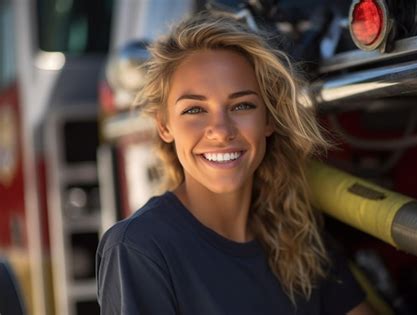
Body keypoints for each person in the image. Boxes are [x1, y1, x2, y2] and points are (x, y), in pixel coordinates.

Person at [96, 11, 375, 315]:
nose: (222, 131)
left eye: (242, 105)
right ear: (164, 126)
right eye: (194, 110)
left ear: (269, 119)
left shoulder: (298, 234)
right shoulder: (140, 249)